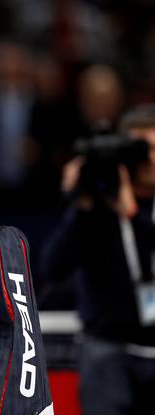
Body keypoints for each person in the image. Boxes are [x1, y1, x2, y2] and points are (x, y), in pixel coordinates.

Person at [43, 104, 155, 415]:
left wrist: (132, 214)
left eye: (154, 148)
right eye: (139, 149)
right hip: (107, 351)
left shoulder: (131, 209)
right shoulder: (97, 205)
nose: (147, 158)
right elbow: (54, 267)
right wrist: (81, 204)